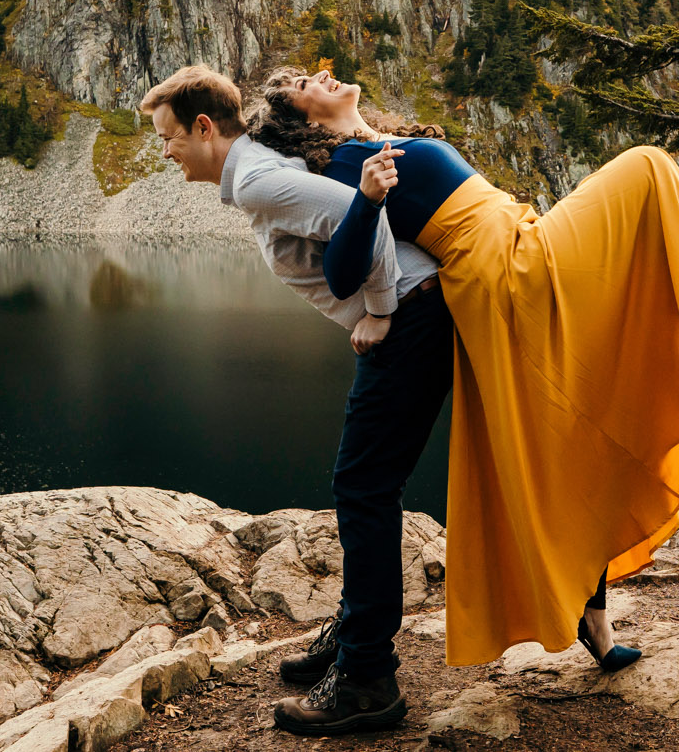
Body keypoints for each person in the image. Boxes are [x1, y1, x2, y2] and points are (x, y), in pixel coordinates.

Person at [247, 65, 679, 679]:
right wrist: (369, 208)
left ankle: (594, 619)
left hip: (522, 239)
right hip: (506, 273)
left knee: (570, 444)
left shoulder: (377, 140)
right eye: (303, 81)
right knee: (648, 166)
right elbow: (341, 270)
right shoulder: (341, 170)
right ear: (300, 119)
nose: (322, 73)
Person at [137, 65, 449, 736]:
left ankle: (367, 675)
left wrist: (381, 308)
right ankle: (353, 634)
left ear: (202, 127)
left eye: (168, 137)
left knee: (363, 485)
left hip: (415, 316)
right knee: (366, 481)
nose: (164, 152)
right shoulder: (250, 171)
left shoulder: (252, 177)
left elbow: (355, 212)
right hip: (418, 313)